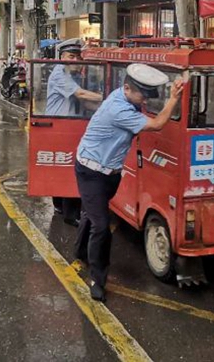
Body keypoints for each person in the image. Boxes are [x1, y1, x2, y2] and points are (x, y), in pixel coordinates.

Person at [75, 63, 183, 302]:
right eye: (142, 95)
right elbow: (156, 125)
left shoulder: (125, 97)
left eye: (147, 96)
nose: (144, 100)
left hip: (110, 172)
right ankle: (98, 279)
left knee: (92, 213)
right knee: (102, 226)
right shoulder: (118, 109)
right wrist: (174, 98)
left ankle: (80, 250)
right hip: (90, 172)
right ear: (126, 88)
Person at [46, 38, 103, 225]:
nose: (75, 61)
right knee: (69, 169)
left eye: (78, 57)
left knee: (65, 168)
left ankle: (61, 207)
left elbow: (84, 102)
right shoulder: (59, 74)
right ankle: (69, 214)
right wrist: (110, 98)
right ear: (62, 57)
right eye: (71, 56)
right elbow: (81, 94)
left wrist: (103, 109)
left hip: (69, 126)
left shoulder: (74, 76)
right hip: (58, 127)